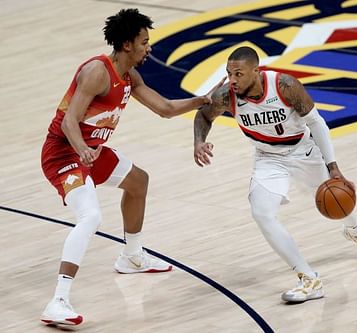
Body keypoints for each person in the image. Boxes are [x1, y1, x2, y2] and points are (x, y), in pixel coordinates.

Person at [40, 8, 222, 326]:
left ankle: (132, 257)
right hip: (64, 153)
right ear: (127, 45)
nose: (148, 48)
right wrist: (83, 150)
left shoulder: (129, 76)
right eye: (144, 42)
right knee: (91, 216)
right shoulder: (98, 71)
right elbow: (70, 120)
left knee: (138, 181)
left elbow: (164, 109)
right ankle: (58, 300)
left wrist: (202, 100)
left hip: (90, 152)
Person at [193, 46, 357, 303]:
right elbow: (204, 116)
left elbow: (316, 122)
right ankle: (309, 278)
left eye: (238, 74)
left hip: (303, 151)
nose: (232, 79)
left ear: (256, 71)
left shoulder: (285, 85)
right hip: (268, 158)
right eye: (229, 73)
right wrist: (199, 141)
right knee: (262, 213)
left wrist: (333, 167)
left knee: (339, 201)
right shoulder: (227, 96)